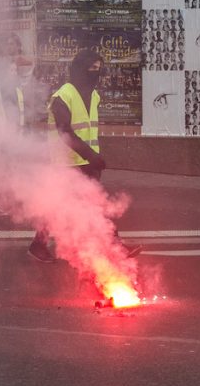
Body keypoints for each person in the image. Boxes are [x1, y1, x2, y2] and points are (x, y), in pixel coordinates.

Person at [28, 49, 141, 262]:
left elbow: (87, 129)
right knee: (61, 205)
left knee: (95, 203)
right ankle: (39, 244)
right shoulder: (63, 96)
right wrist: (91, 155)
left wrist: (92, 158)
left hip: (87, 161)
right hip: (65, 163)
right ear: (79, 68)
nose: (95, 73)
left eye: (98, 69)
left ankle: (114, 246)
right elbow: (64, 131)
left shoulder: (94, 96)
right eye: (91, 68)